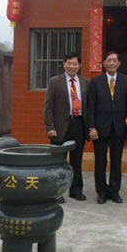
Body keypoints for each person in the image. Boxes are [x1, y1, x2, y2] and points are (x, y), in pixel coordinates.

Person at [87, 51, 127, 204]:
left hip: (119, 127)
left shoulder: (126, 80)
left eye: (115, 60)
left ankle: (114, 191)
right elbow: (91, 106)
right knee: (100, 161)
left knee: (116, 161)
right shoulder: (96, 81)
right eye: (109, 60)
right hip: (100, 128)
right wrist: (91, 127)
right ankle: (101, 191)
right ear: (104, 63)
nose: (112, 63)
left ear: (119, 63)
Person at [44, 52, 90, 203]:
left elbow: (89, 106)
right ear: (64, 64)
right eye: (69, 63)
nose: (72, 66)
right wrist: (49, 127)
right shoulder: (54, 82)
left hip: (78, 124)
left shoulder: (85, 82)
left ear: (79, 66)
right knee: (58, 161)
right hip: (59, 126)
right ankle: (57, 192)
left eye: (75, 64)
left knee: (77, 160)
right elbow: (48, 107)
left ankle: (76, 191)